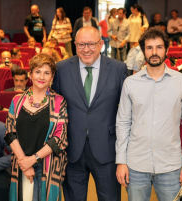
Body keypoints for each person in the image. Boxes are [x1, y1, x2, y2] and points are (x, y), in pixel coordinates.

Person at [116, 28, 182, 201]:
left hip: (171, 166)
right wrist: (121, 161)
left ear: (166, 50)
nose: (154, 52)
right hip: (136, 165)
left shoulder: (181, 82)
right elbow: (122, 123)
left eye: (159, 47)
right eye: (149, 47)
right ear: (143, 51)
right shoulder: (130, 83)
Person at [53, 26, 128, 201]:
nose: (86, 49)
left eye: (91, 44)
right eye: (81, 45)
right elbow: (54, 108)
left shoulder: (118, 69)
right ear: (75, 45)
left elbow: (127, 110)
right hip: (71, 150)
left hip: (107, 149)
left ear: (101, 44)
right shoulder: (61, 69)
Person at [5, 53, 68, 201]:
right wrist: (25, 163)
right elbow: (10, 133)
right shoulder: (17, 101)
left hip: (48, 165)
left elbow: (59, 138)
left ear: (52, 78)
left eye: (47, 73)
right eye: (38, 71)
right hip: (21, 164)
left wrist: (33, 159)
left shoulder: (59, 102)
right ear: (30, 74)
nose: (42, 77)